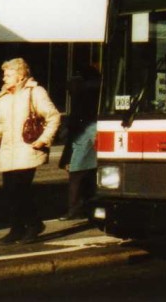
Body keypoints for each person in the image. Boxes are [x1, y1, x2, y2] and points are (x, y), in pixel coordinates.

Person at [0, 58, 61, 243]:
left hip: (28, 149)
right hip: (8, 151)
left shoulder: (35, 92)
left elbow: (53, 117)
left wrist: (43, 140)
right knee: (9, 192)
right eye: (4, 74)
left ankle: (34, 224)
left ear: (20, 75)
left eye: (8, 74)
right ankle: (16, 229)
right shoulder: (2, 98)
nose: (4, 78)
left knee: (20, 190)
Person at [58, 64, 101, 220]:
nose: (69, 90)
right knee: (89, 173)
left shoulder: (82, 97)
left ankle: (75, 208)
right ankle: (86, 206)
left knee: (77, 173)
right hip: (89, 136)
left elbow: (76, 126)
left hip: (84, 137)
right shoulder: (95, 92)